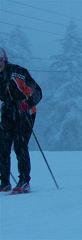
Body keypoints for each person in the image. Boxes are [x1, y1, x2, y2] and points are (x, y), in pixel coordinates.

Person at [0, 48, 42, 192]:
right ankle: (4, 182)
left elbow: (38, 92)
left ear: (4, 60)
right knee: (3, 146)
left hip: (25, 111)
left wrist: (28, 103)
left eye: (0, 60)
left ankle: (24, 181)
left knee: (20, 145)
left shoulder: (18, 72)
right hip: (7, 111)